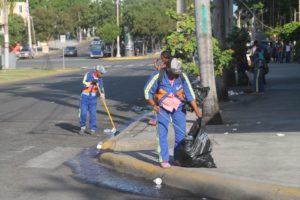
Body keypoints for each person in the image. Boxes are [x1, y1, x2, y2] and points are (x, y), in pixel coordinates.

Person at [144, 58, 202, 168]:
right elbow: (147, 92)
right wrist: (153, 105)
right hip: (162, 109)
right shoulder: (158, 76)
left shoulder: (182, 76)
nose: (175, 75)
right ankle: (164, 159)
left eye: (177, 73)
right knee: (162, 134)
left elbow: (189, 94)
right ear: (168, 69)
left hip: (179, 107)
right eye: (173, 73)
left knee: (181, 135)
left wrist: (196, 110)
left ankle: (178, 158)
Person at [79, 65, 106, 135]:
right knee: (83, 113)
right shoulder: (88, 74)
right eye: (101, 73)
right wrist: (91, 82)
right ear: (97, 71)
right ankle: (82, 127)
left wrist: (102, 95)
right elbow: (83, 84)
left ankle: (92, 129)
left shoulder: (100, 79)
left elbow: (102, 88)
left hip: (93, 98)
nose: (102, 74)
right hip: (85, 96)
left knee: (93, 114)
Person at [149, 51, 172, 126]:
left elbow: (159, 71)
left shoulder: (167, 66)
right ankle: (155, 118)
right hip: (164, 88)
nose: (161, 59)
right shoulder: (168, 64)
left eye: (162, 58)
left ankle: (155, 119)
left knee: (158, 104)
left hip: (163, 88)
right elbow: (158, 69)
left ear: (165, 58)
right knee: (159, 104)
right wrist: (155, 63)